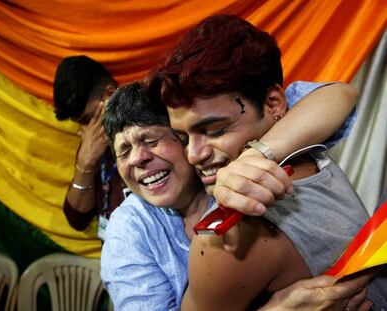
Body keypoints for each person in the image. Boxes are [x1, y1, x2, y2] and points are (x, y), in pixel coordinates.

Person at [149, 14, 387, 309]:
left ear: (275, 104)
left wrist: (255, 156)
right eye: (183, 138)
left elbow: (340, 93)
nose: (194, 154)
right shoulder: (306, 148)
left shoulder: (225, 242)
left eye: (215, 131)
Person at [100, 82, 373, 310]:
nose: (138, 158)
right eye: (123, 151)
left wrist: (255, 155)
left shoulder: (224, 160)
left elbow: (337, 95)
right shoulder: (128, 232)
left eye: (151, 140)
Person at [53, 55, 126, 239]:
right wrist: (85, 163)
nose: (85, 132)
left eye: (89, 118)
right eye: (80, 123)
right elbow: (77, 218)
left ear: (110, 93)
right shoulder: (93, 144)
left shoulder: (148, 134)